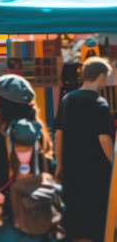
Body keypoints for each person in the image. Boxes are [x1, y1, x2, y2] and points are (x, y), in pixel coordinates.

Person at [0, 74, 53, 241]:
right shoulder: (40, 137)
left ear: (3, 106)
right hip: (38, 220)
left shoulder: (0, 141)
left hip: (6, 222)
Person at [55, 57, 114, 242]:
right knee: (92, 223)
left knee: (75, 224)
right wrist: (115, 164)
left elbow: (58, 134)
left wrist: (59, 164)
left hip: (71, 172)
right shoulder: (100, 103)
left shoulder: (67, 99)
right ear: (101, 76)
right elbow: (104, 138)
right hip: (95, 175)